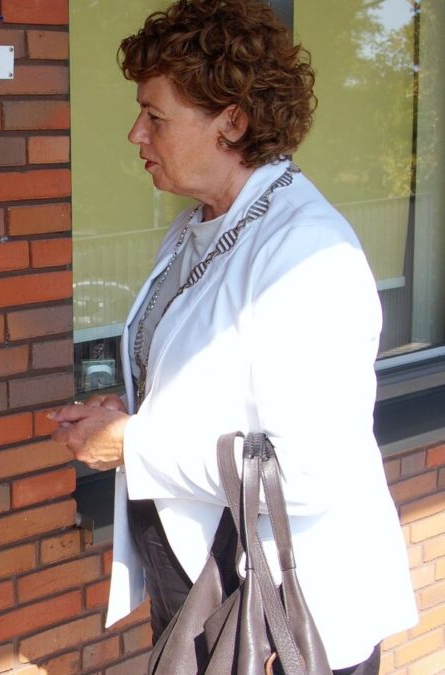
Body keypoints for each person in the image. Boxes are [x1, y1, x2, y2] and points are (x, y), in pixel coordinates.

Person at [50, 1, 417, 672]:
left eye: (155, 116)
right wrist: (127, 415)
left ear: (234, 121)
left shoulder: (308, 254)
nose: (136, 133)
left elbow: (310, 467)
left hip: (287, 616)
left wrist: (136, 443)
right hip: (210, 587)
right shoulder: (200, 225)